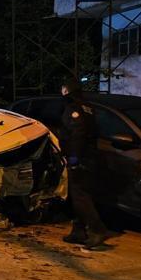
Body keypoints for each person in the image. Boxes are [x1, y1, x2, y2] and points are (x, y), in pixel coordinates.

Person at [59, 81, 109, 249]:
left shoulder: (74, 109)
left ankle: (97, 229)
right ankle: (78, 231)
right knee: (80, 195)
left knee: (80, 195)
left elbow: (77, 135)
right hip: (90, 157)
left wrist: (74, 159)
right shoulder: (88, 107)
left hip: (81, 158)